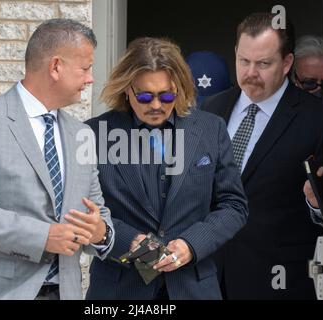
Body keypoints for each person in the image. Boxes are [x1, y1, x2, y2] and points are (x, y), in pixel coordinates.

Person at [0, 19, 114, 300]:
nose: (91, 78)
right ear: (55, 67)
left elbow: (98, 211)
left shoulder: (82, 134)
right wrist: (41, 236)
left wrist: (100, 233)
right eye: (85, 68)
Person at [85, 37, 248, 300]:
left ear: (179, 88)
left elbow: (233, 206)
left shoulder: (211, 128)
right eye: (145, 96)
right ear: (127, 90)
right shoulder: (94, 133)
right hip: (120, 289)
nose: (156, 105)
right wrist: (130, 242)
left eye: (167, 95)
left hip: (193, 287)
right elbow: (84, 210)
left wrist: (191, 245)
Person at [201, 13, 323, 299]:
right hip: (209, 281)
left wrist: (317, 204)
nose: (251, 72)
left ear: (287, 63)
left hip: (279, 283)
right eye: (244, 61)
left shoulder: (318, 119)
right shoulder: (211, 108)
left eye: (263, 64)